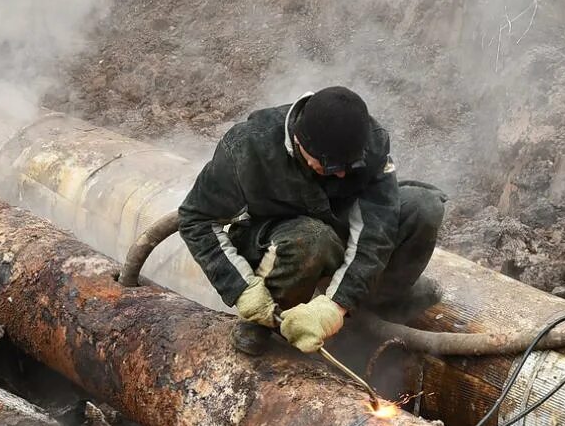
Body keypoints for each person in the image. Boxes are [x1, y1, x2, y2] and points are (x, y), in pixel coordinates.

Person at [177, 87, 445, 355]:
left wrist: (338, 305)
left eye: (349, 166)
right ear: (299, 141)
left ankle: (372, 305)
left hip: (336, 230)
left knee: (424, 207)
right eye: (330, 167)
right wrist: (241, 289)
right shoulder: (247, 148)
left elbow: (377, 230)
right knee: (313, 238)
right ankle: (270, 321)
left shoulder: (369, 144)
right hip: (273, 242)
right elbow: (195, 220)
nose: (341, 175)